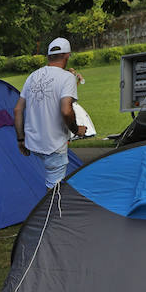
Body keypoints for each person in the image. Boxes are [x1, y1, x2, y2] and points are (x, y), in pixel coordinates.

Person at [14, 38, 86, 188]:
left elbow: (18, 109)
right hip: (53, 146)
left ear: (48, 57)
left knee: (53, 185)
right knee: (55, 191)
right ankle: (50, 211)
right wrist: (77, 130)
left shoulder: (32, 76)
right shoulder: (67, 78)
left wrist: (21, 140)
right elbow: (66, 111)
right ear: (67, 55)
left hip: (33, 143)